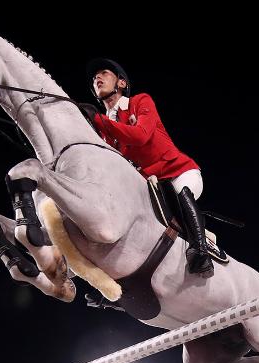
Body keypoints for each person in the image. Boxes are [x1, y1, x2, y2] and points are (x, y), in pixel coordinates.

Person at [87, 57, 215, 276]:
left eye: (104, 73)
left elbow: (142, 136)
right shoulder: (104, 129)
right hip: (150, 186)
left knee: (181, 194)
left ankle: (200, 252)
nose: (96, 78)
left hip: (180, 172)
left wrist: (100, 122)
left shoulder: (139, 101)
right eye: (94, 77)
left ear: (121, 83)